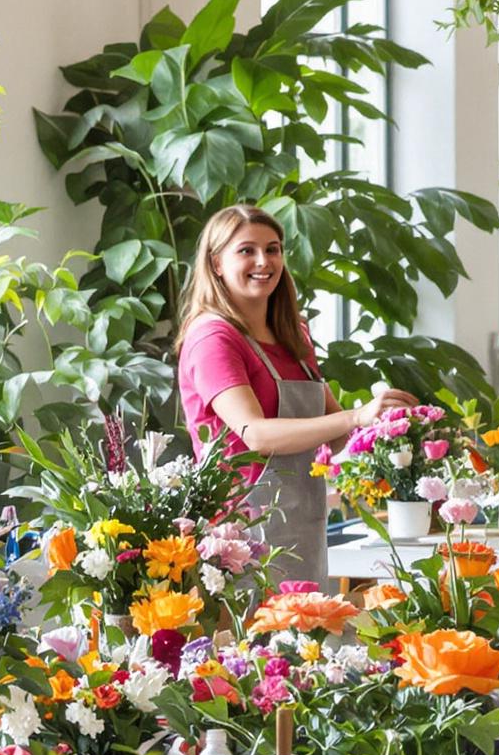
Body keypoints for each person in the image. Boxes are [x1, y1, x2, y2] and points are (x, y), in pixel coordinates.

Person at [174, 204, 414, 579]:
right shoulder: (212, 337)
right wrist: (357, 415)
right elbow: (256, 434)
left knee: (311, 631)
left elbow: (336, 436)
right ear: (216, 263)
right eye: (246, 250)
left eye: (272, 249)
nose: (263, 261)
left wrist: (389, 430)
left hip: (302, 520)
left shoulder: (292, 334)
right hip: (240, 534)